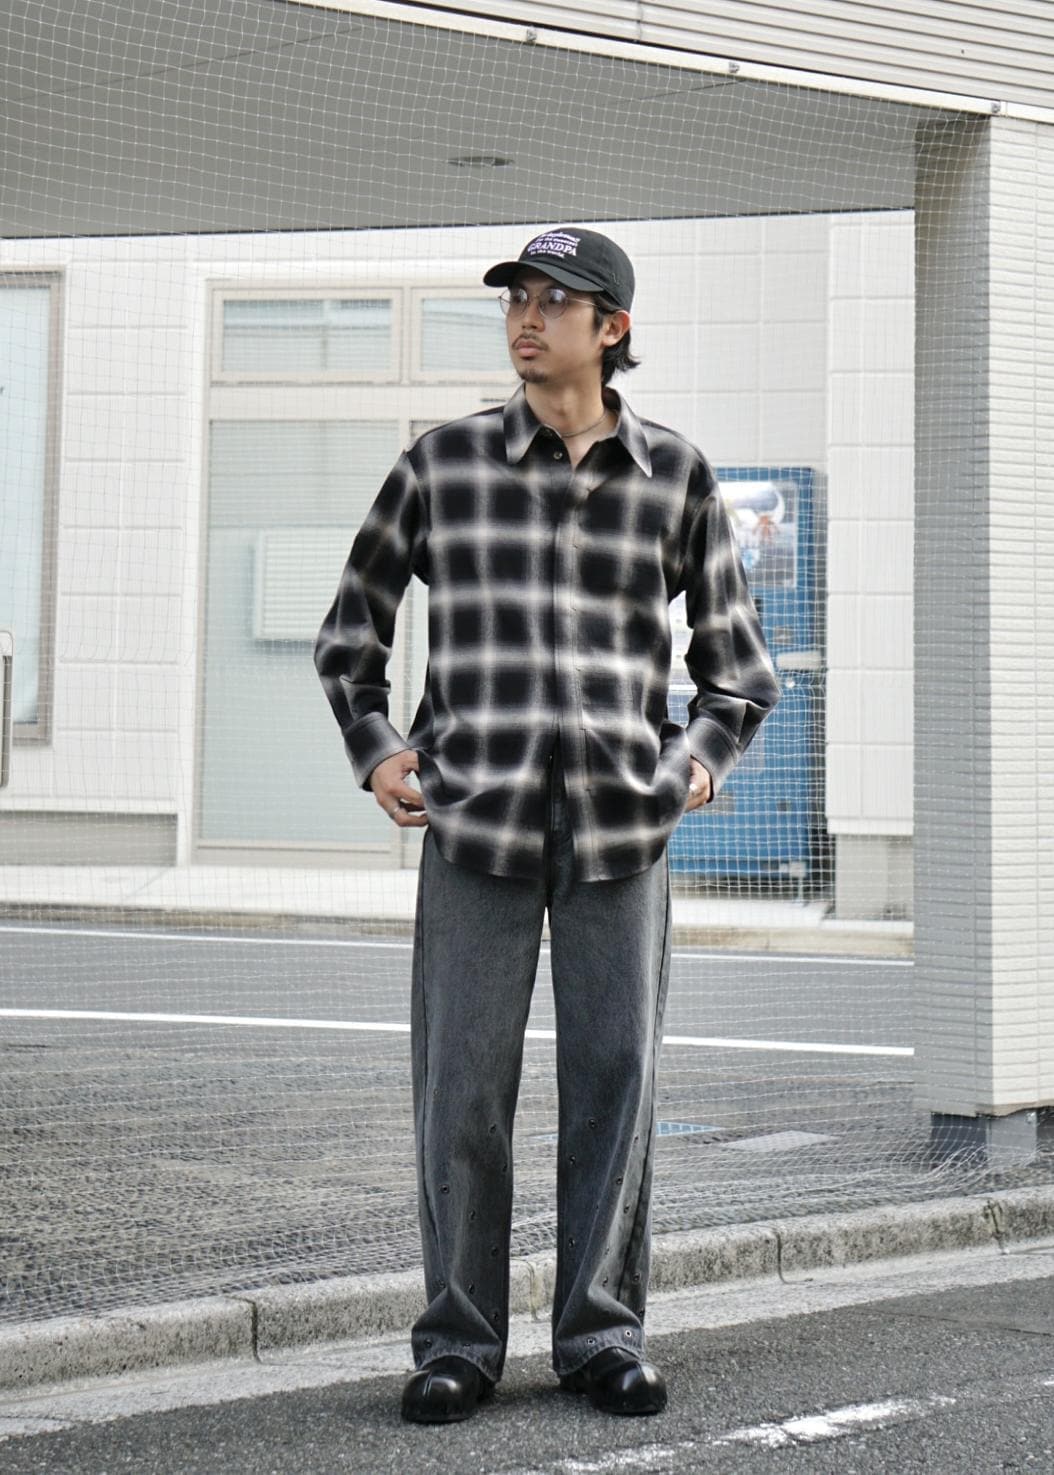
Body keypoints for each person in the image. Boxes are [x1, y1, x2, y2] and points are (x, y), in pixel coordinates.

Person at [315, 226, 780, 1424]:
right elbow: (350, 631)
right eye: (516, 299)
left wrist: (690, 767)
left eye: (553, 301)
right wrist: (380, 749)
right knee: (460, 1089)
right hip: (477, 824)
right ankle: (457, 1342)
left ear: (611, 328)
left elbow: (736, 670)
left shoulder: (675, 476)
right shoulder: (443, 465)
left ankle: (600, 1334)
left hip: (620, 833)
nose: (526, 318)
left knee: (614, 1082)